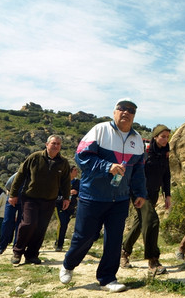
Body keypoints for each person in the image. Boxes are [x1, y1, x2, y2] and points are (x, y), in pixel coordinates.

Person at [60, 98, 147, 293]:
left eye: (131, 110)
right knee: (85, 237)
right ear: (114, 111)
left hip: (120, 199)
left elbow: (139, 170)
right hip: (93, 196)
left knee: (115, 239)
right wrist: (108, 167)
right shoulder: (99, 130)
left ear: (134, 115)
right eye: (122, 108)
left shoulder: (138, 140)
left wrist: (139, 193)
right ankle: (68, 264)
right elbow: (81, 156)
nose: (126, 112)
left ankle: (107, 278)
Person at [8, 135, 71, 265]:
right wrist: (13, 194)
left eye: (58, 144)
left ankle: (32, 255)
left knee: (41, 228)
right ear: (46, 144)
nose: (56, 146)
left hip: (49, 200)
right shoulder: (34, 157)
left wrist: (66, 198)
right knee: (28, 224)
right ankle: (17, 252)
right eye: (53, 143)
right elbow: (20, 175)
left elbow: (66, 182)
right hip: (30, 198)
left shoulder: (63, 162)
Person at [121, 124, 172, 274]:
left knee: (141, 222)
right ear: (155, 137)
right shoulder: (144, 151)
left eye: (167, 137)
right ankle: (153, 260)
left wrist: (167, 194)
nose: (165, 139)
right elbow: (134, 171)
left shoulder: (165, 152)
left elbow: (166, 174)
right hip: (140, 193)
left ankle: (124, 251)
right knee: (152, 220)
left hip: (154, 193)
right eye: (162, 136)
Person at [54, 166, 80, 252]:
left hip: (71, 207)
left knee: (65, 224)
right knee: (62, 223)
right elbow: (55, 193)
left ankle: (59, 242)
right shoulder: (61, 181)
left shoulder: (78, 182)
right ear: (70, 172)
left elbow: (82, 193)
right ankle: (59, 244)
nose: (77, 171)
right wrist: (67, 192)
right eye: (75, 170)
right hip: (59, 205)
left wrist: (77, 192)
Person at [0, 173, 23, 255]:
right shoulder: (18, 174)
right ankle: (1, 247)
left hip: (24, 200)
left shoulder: (35, 175)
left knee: (21, 224)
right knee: (7, 222)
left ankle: (16, 247)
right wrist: (12, 196)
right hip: (12, 198)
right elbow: (8, 185)